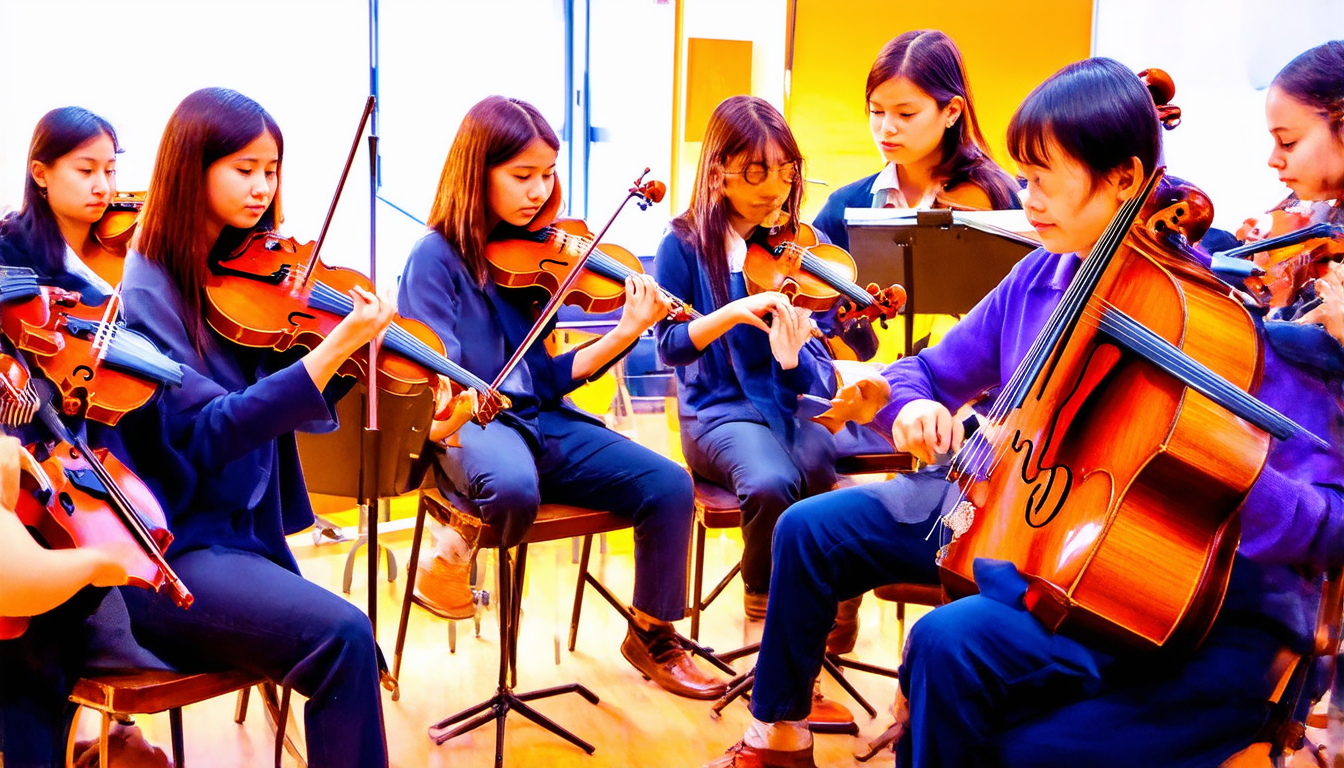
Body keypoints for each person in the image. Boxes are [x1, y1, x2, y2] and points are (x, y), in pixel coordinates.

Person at [884, 55, 1344, 768]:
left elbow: (1327, 530)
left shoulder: (1291, 343)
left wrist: (1232, 472)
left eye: (1288, 144)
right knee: (946, 639)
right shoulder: (1161, 296)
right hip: (1117, 584)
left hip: (1226, 622)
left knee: (1009, 743)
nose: (1287, 254)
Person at [397, 95, 724, 700]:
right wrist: (469, 406)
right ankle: (451, 532)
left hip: (540, 421)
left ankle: (652, 632)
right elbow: (432, 389)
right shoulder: (433, 258)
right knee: (514, 488)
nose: (538, 190)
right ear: (477, 174)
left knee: (669, 485)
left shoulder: (536, 258)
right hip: (467, 425)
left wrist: (627, 331)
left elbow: (543, 379)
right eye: (522, 176)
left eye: (547, 174)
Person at [115, 87, 394, 768]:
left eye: (272, 170)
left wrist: (356, 355)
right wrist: (331, 349)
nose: (263, 187)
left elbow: (283, 389)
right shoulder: (149, 288)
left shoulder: (239, 273)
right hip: (173, 558)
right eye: (245, 169)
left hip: (242, 541)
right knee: (345, 638)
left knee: (350, 640)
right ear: (192, 168)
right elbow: (207, 433)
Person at [0, 106, 169, 768]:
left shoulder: (105, 263)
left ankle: (98, 734)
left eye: (111, 170)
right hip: (19, 458)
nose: (104, 187)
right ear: (41, 173)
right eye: (86, 170)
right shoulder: (13, 253)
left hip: (74, 458)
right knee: (38, 645)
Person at [654, 94, 851, 628]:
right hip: (717, 411)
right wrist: (733, 312)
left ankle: (820, 594)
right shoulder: (684, 244)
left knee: (816, 465)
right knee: (769, 482)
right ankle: (765, 593)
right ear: (719, 174)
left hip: (786, 401)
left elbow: (820, 365)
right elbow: (669, 344)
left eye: (785, 173)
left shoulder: (802, 247)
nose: (775, 189)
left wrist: (792, 359)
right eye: (757, 171)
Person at [812, 29, 1020, 252]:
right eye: (877, 111)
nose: (887, 129)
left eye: (906, 114)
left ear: (951, 111)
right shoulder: (844, 206)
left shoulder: (997, 200)